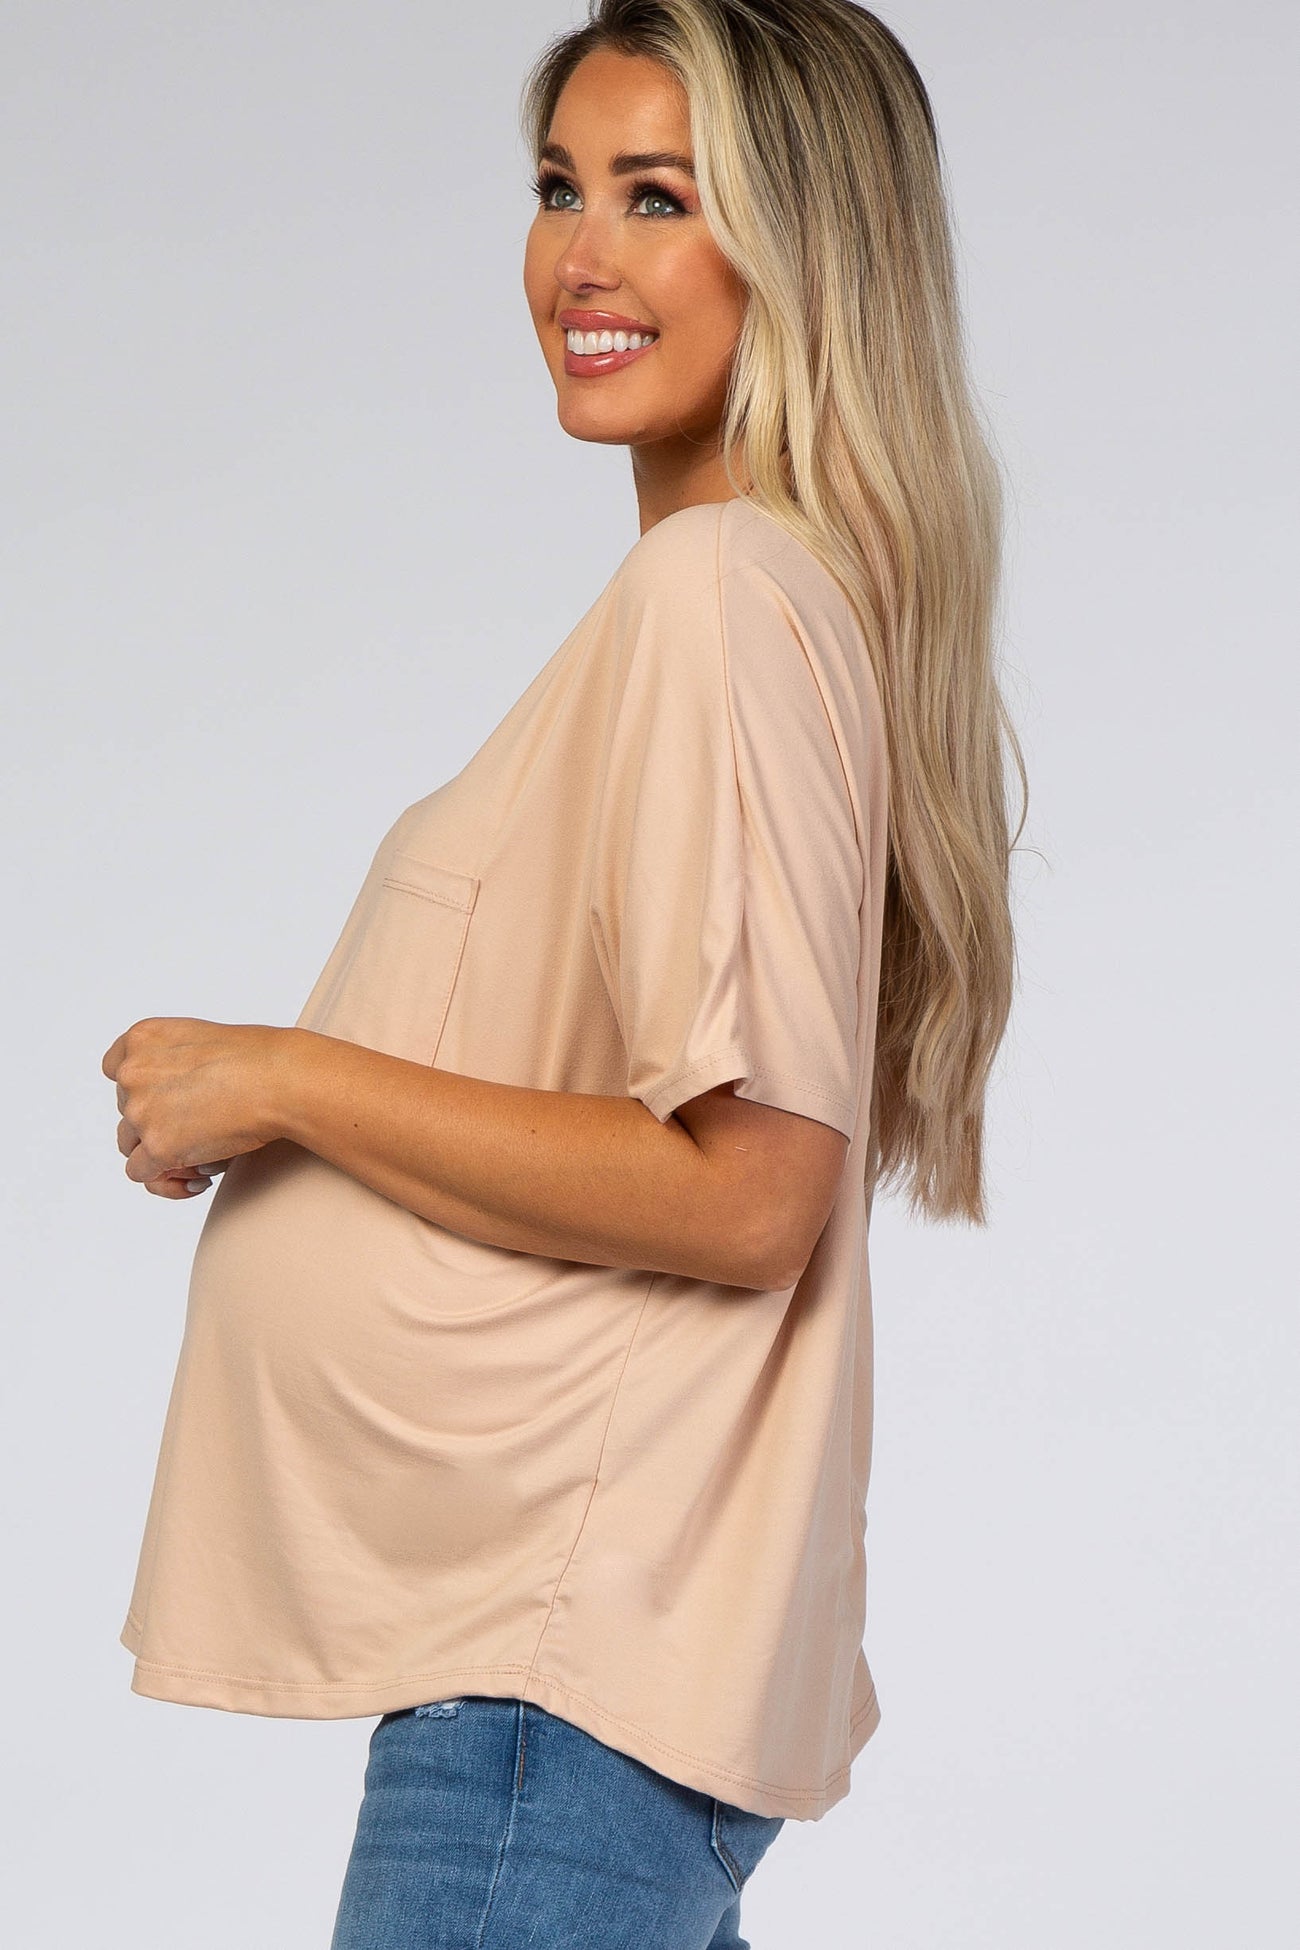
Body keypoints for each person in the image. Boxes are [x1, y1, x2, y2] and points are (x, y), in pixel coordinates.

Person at [102, 2, 1024, 1945]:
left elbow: (749, 1189)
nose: (580, 258)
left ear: (797, 251)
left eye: (658, 198)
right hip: (567, 1691)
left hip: (557, 1697)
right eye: (557, 188)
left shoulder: (718, 597)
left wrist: (285, 1078)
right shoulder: (745, 599)